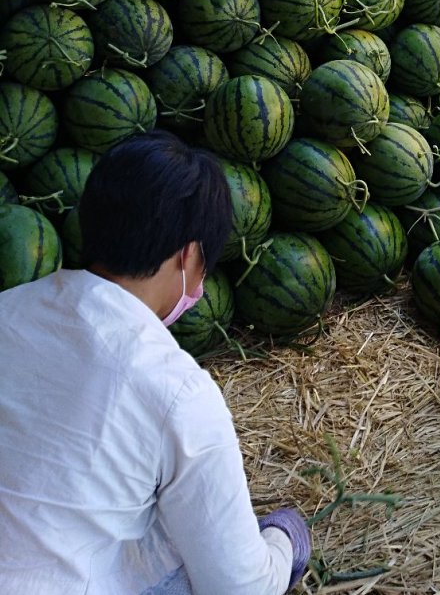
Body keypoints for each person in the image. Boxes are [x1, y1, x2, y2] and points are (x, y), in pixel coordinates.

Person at [0, 130, 311, 595]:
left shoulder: (8, 307)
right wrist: (286, 539)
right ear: (188, 256)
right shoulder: (176, 389)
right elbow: (240, 588)